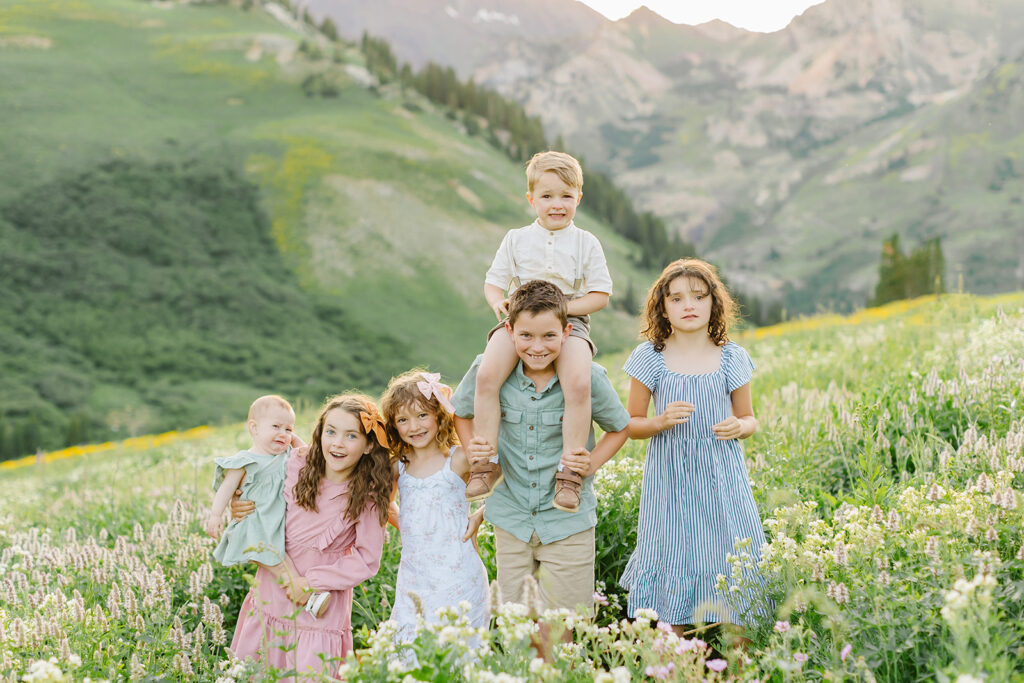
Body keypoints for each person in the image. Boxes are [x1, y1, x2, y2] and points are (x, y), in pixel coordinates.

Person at [452, 280, 630, 634]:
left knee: (563, 632)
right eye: (526, 336)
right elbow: (461, 413)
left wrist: (590, 465)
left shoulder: (587, 377)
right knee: (518, 629)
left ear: (567, 332)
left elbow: (620, 427)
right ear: (509, 331)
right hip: (512, 521)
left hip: (568, 525)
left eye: (549, 336)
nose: (537, 347)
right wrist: (475, 451)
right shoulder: (488, 372)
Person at [620, 258, 766, 637]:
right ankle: (680, 663)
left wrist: (740, 426)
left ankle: (739, 665)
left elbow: (750, 418)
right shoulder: (650, 357)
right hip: (670, 479)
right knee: (675, 558)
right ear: (662, 308)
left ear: (714, 304)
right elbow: (630, 425)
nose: (689, 305)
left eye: (699, 297)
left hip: (723, 476)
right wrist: (659, 422)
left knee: (733, 555)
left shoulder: (731, 356)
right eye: (677, 298)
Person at [470, 150, 614, 513]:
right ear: (531, 199)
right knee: (487, 375)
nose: (557, 204)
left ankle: (569, 471)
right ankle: (485, 461)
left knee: (578, 382)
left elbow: (600, 295)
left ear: (578, 198)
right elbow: (493, 283)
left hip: (570, 320)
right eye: (547, 196)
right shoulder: (516, 239)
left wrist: (562, 311)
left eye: (566, 196)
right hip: (519, 319)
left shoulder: (586, 242)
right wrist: (497, 303)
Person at [229, 394, 393, 680]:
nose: (337, 443)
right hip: (273, 593)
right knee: (259, 669)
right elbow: (259, 509)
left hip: (321, 606)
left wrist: (311, 582)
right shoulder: (295, 465)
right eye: (330, 432)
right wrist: (238, 502)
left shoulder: (367, 496)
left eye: (351, 436)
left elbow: (368, 558)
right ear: (319, 434)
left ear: (368, 445)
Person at [380, 370, 489, 642]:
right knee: (411, 647)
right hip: (415, 577)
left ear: (439, 414)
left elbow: (507, 478)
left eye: (422, 415)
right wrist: (409, 525)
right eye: (403, 420)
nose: (414, 427)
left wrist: (481, 514)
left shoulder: (459, 458)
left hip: (460, 573)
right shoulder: (399, 465)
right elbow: (385, 504)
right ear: (394, 425)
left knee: (459, 649)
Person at [205, 395, 332, 618]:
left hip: (274, 526)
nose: (283, 433)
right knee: (282, 564)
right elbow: (227, 488)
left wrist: (294, 439)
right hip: (256, 526)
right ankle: (309, 600)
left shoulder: (285, 456)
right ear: (254, 428)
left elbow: (308, 455)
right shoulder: (245, 460)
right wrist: (216, 515)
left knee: (283, 562)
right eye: (276, 426)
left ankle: (302, 601)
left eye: (288, 428)